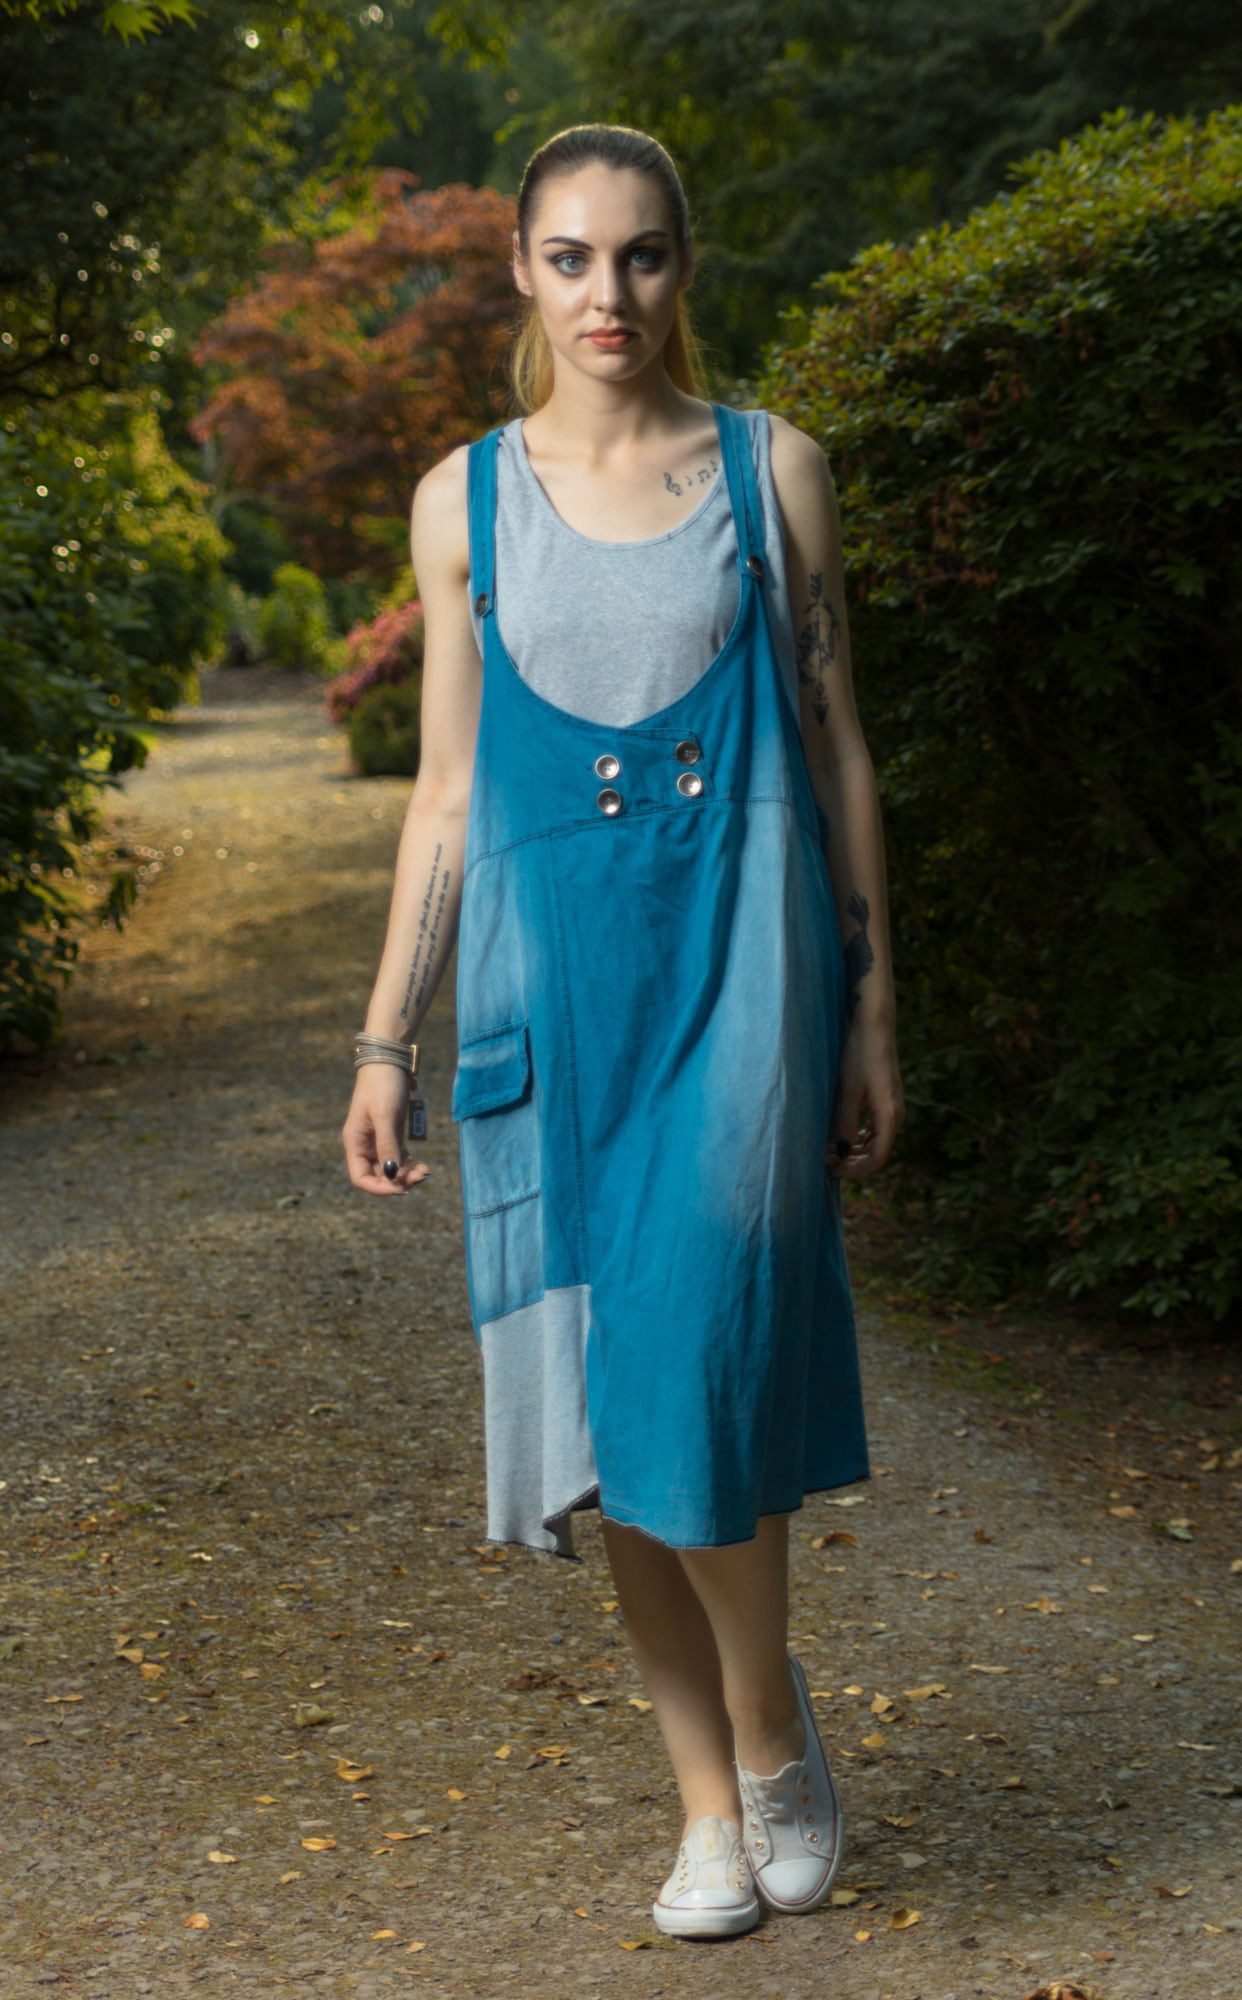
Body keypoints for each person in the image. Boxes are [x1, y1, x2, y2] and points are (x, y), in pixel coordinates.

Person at [341, 123, 904, 1941]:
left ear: (684, 264)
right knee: (602, 1410)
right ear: (522, 269)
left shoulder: (771, 471)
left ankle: (770, 1734)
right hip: (551, 997)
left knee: (694, 1359)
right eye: (573, 258)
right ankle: (706, 1810)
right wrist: (383, 1041)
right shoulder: (462, 502)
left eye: (642, 255)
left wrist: (872, 1006)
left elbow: (835, 748)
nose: (609, 294)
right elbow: (442, 792)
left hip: (744, 979)